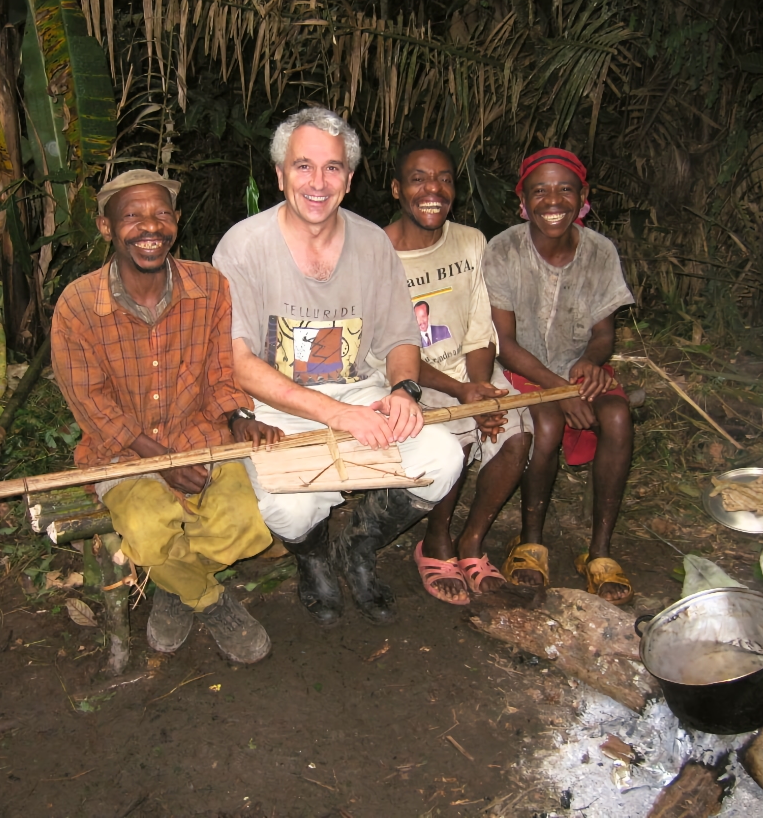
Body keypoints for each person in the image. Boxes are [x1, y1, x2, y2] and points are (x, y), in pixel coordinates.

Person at [213, 108, 464, 626]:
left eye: (332, 168)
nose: (317, 182)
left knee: (442, 460)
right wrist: (336, 416)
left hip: (360, 392)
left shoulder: (372, 243)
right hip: (277, 403)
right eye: (302, 166)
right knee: (288, 509)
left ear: (349, 180)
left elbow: (399, 336)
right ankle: (313, 558)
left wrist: (403, 390)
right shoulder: (244, 246)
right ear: (280, 174)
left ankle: (358, 546)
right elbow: (239, 364)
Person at [51, 169, 283, 664]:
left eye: (160, 213)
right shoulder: (77, 305)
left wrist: (238, 415)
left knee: (243, 528)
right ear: (106, 227)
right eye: (131, 216)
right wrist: (160, 462)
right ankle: (211, 599)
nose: (148, 226)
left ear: (176, 221)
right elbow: (91, 404)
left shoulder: (209, 286)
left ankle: (174, 587)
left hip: (200, 437)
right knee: (150, 533)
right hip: (121, 453)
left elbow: (223, 369)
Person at [482, 148, 636, 604]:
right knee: (546, 424)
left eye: (565, 189)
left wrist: (590, 361)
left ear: (583, 197)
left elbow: (604, 333)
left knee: (619, 417)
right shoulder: (504, 249)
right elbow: (505, 345)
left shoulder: (600, 251)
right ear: (523, 201)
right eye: (540, 191)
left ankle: (600, 553)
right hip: (523, 370)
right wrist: (559, 389)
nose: (554, 200)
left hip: (577, 370)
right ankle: (530, 543)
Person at [383, 139, 533, 604]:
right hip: (409, 379)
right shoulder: (377, 253)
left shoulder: (470, 241)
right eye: (418, 179)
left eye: (444, 179)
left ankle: (472, 540)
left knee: (515, 435)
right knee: (456, 437)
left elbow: (478, 324)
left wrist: (482, 388)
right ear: (396, 189)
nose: (433, 189)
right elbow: (389, 348)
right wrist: (461, 393)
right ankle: (438, 540)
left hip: (469, 371)